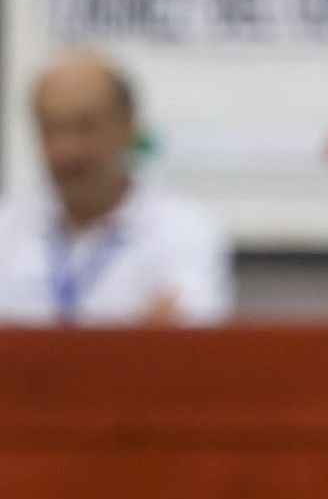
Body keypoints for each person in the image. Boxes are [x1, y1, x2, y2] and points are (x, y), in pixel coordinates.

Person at [0, 50, 233, 326]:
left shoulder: (183, 230)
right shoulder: (8, 226)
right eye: (51, 128)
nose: (68, 149)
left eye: (85, 127)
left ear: (128, 126)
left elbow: (180, 343)